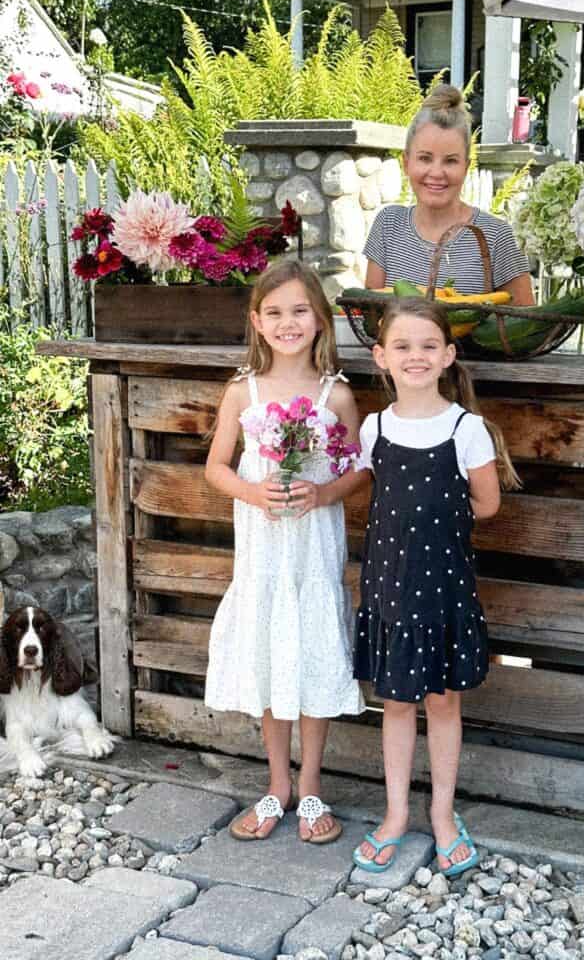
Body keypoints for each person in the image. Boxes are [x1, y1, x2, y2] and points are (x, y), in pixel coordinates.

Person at [352, 297, 520, 875]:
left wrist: (436, 521)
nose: (415, 356)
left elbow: (488, 503)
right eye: (402, 346)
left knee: (443, 702)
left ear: (448, 355)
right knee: (396, 703)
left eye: (428, 346)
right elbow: (369, 488)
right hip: (392, 591)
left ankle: (443, 814)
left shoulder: (465, 428)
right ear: (381, 358)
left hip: (444, 592)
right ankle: (396, 814)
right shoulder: (374, 429)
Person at [204, 259, 367, 845]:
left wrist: (322, 490)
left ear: (320, 320)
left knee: (313, 647)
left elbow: (357, 471)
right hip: (264, 547)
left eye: (300, 311)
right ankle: (277, 785)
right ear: (256, 320)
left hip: (314, 544)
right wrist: (253, 491)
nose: (288, 322)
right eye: (274, 312)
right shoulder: (241, 390)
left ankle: (313, 785)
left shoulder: (337, 396)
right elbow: (216, 468)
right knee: (273, 652)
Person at [365, 84, 535, 306]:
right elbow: (369, 316)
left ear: (466, 166)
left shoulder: (495, 236)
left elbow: (527, 326)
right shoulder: (388, 225)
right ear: (406, 163)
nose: (436, 173)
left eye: (450, 161)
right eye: (425, 158)